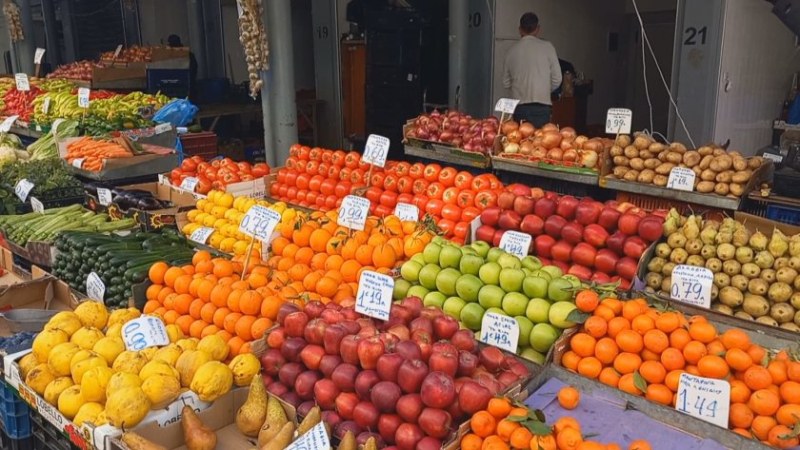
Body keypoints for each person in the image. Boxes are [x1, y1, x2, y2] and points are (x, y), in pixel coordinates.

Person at [502, 13, 562, 127]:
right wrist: (544, 89)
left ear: (520, 29)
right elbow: (557, 78)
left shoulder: (511, 51)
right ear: (538, 29)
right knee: (542, 142)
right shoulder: (548, 47)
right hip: (542, 106)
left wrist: (519, 88)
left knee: (521, 141)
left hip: (520, 107)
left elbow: (506, 82)